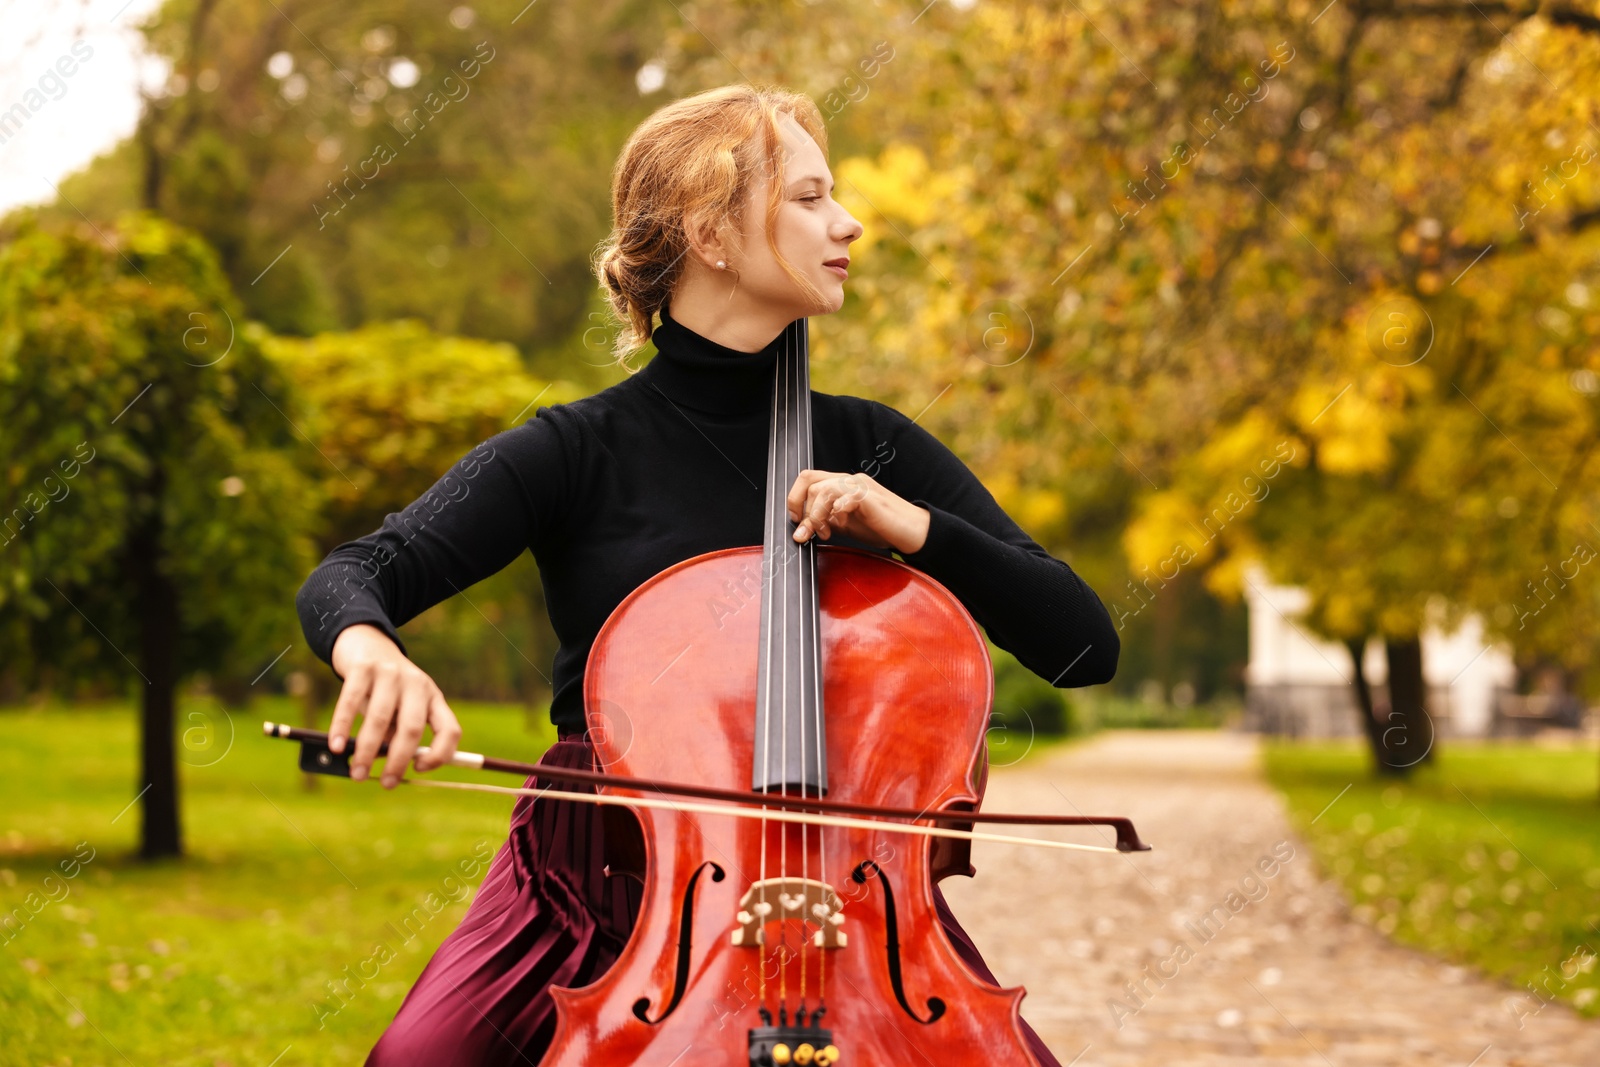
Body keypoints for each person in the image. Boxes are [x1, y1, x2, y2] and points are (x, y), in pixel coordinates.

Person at [295, 83, 1119, 1066]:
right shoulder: (575, 448)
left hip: (846, 907)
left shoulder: (874, 447)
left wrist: (915, 528)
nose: (846, 221)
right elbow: (362, 569)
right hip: (589, 877)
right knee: (418, 1059)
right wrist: (367, 645)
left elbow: (1083, 644)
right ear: (713, 236)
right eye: (809, 197)